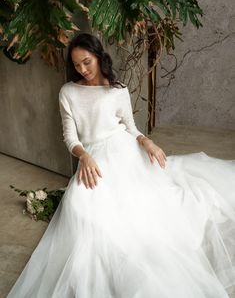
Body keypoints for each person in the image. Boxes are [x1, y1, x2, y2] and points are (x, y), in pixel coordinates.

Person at [7, 33, 235, 298]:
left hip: (123, 151)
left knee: (150, 209)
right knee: (81, 210)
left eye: (87, 62)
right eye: (77, 64)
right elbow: (70, 137)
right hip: (92, 159)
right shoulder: (68, 92)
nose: (82, 69)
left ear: (99, 56)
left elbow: (131, 127)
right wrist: (84, 156)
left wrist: (146, 142)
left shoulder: (118, 89)